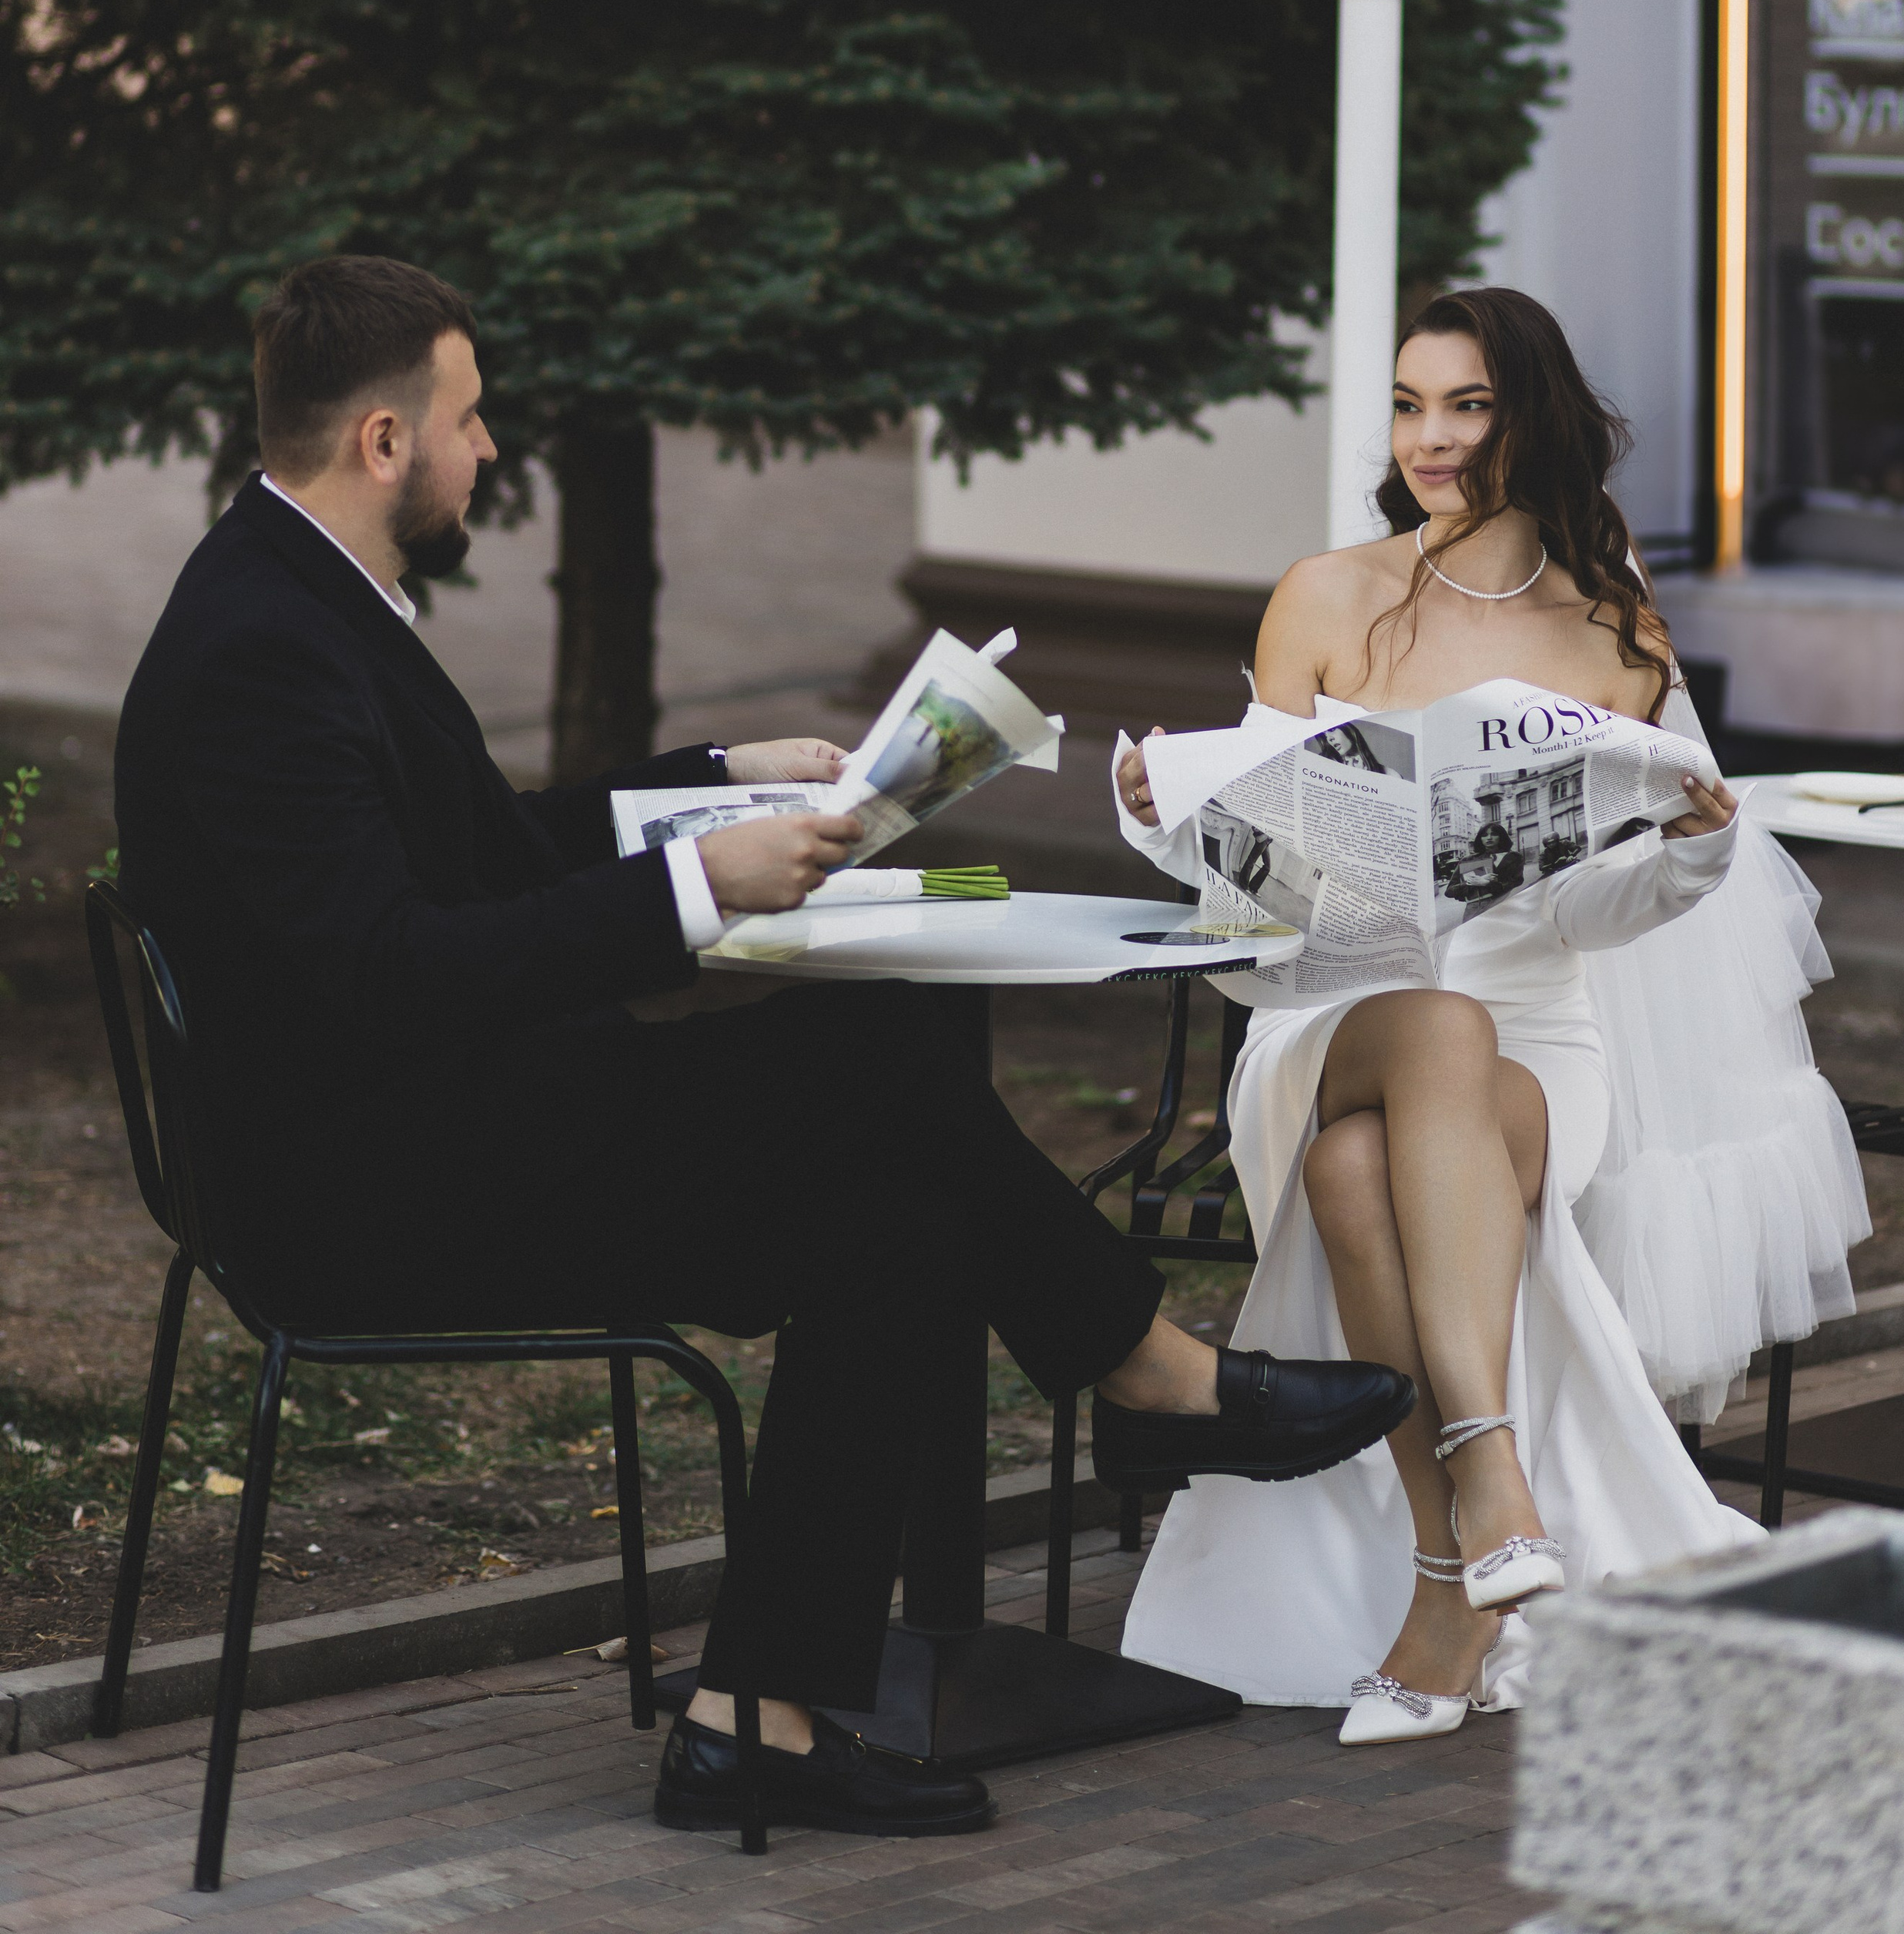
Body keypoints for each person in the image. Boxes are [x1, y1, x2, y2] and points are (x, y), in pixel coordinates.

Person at [114, 255, 1416, 1841]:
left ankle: (755, 1720)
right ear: (384, 441)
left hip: (436, 1128)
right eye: (469, 418)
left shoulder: (298, 594)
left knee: (905, 1232)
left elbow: (472, 848)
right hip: (367, 1194)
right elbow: (394, 971)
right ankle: (1153, 1377)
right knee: (874, 1056)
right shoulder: (269, 647)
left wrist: (714, 782)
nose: (490, 448)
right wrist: (687, 890)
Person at [1111, 287, 1868, 1740]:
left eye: (1466, 405)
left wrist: (1691, 855)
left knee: (1397, 1127)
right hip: (1327, 1025)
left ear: (1536, 417)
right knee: (1414, 1044)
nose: (1430, 439)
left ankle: (1451, 1564)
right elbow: (1257, 914)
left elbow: (1588, 918)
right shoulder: (1326, 595)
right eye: (1408, 404)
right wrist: (1172, 827)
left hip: (1537, 1041)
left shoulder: (1614, 636)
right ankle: (1494, 1477)